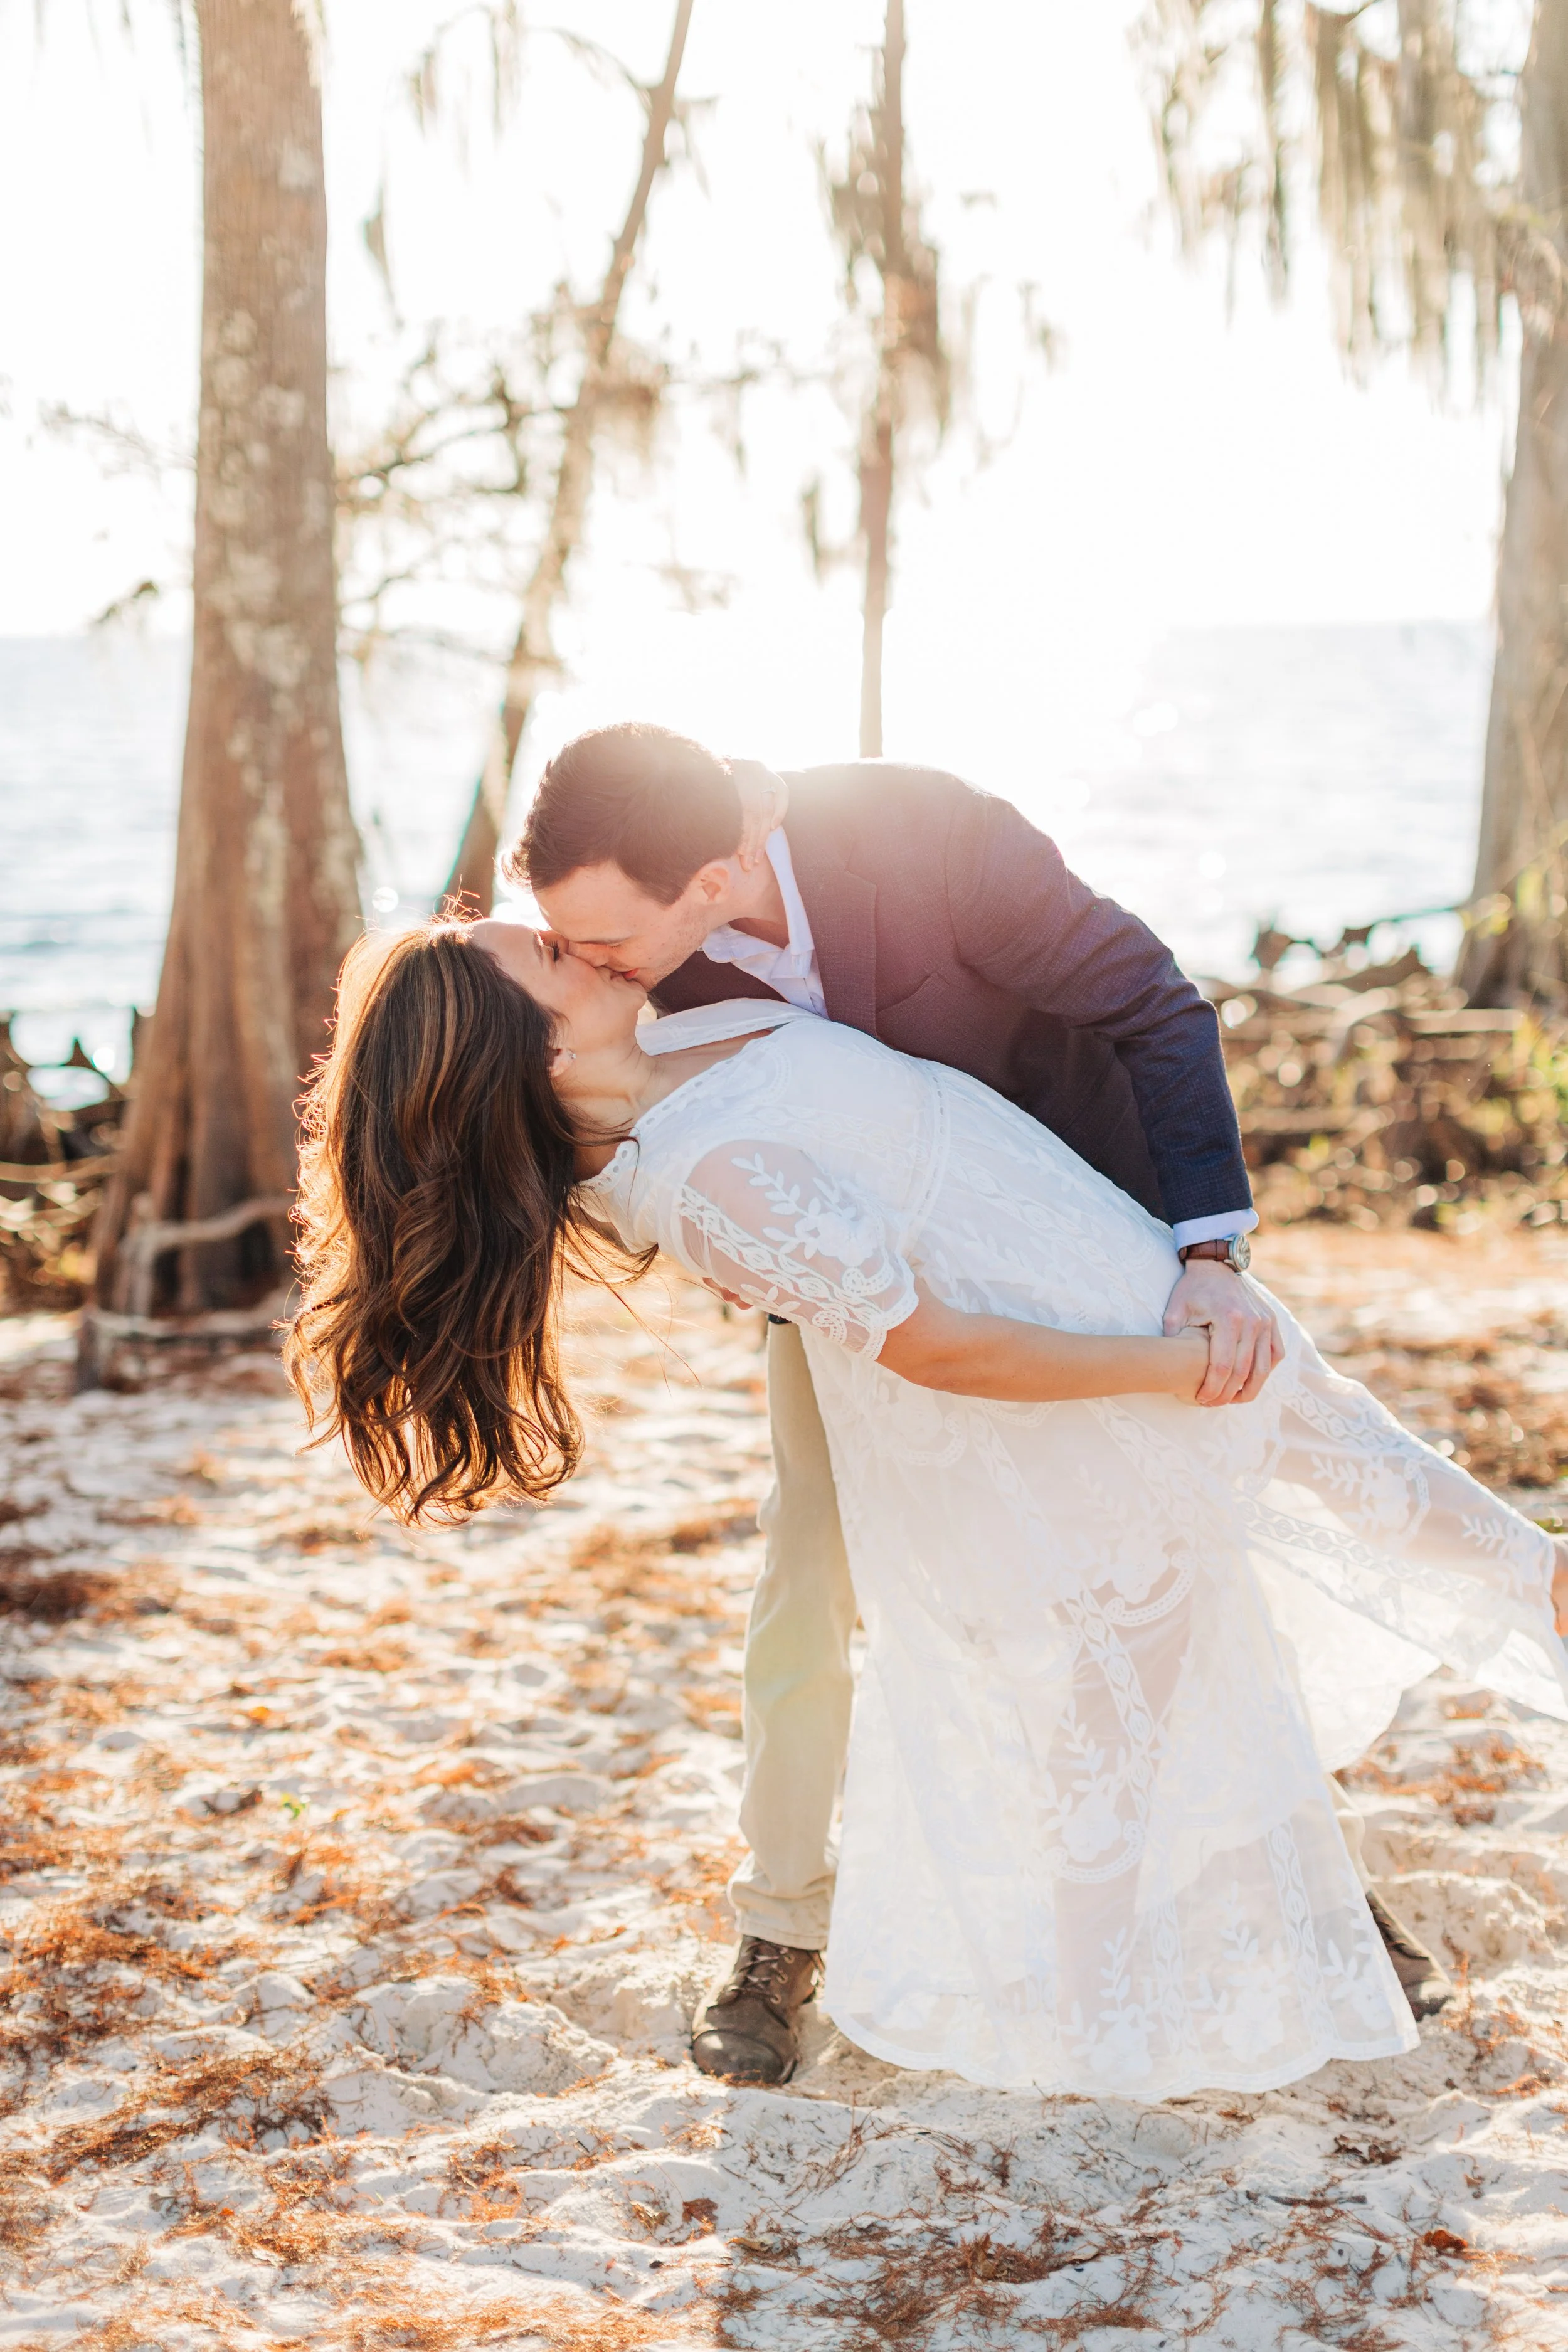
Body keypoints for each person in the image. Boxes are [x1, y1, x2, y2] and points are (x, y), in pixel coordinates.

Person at [288, 909, 1568, 2102]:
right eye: (554, 958)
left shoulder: (680, 1034)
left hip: (1136, 1285)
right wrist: (1165, 1370)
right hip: (1095, 1380)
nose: (585, 942)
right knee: (1134, 1674)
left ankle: (1150, 1965)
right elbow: (939, 1347)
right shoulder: (698, 1179)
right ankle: (1098, 2011)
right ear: (545, 1050)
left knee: (1365, 1495)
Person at [502, 724, 1438, 2081]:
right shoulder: (633, 951)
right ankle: (779, 1928)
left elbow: (1150, 1003)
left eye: (599, 940)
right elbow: (591, 1104)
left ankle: (1312, 1875)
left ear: (706, 879)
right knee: (809, 1573)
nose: (587, 961)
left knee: (1190, 1541)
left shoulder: (922, 835)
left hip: (1085, 1233)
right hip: (857, 1303)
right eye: (563, 941)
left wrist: (1207, 1255)